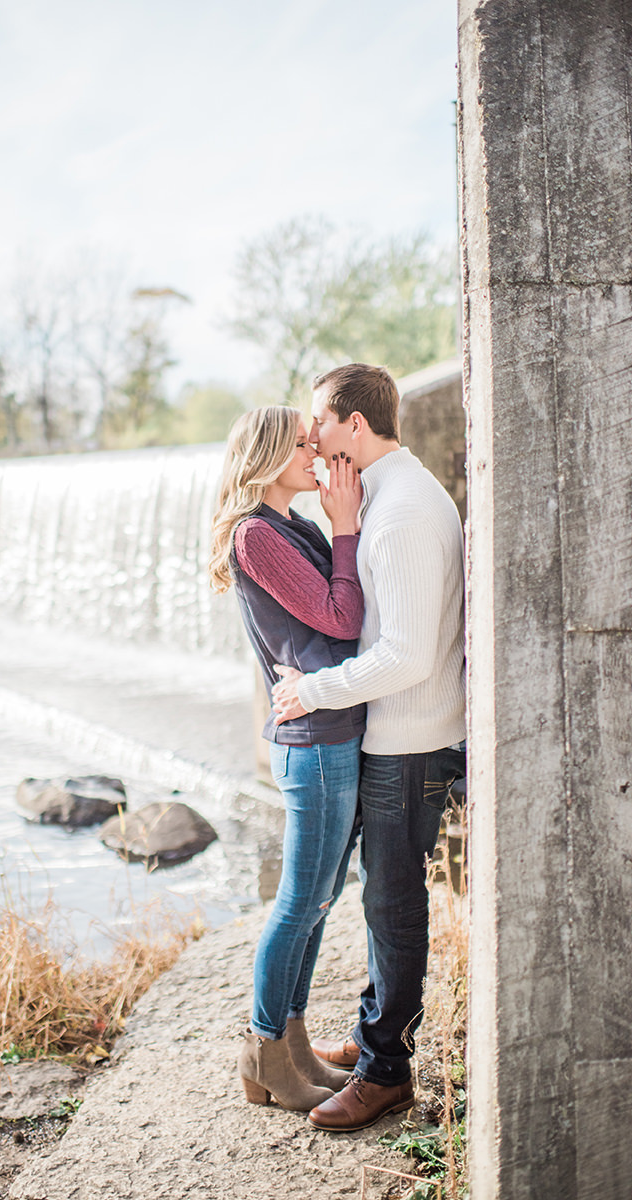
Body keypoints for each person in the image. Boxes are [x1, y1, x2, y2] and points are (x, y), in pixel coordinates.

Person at [271, 363, 466, 1132]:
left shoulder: (407, 511)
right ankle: (370, 1035)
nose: (309, 434)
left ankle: (387, 1070)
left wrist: (310, 690)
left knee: (392, 906)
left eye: (319, 420)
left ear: (356, 426)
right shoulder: (380, 499)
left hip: (412, 745)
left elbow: (410, 654)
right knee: (379, 900)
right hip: (392, 738)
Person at [209, 405, 368, 1113]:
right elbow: (340, 618)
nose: (317, 453)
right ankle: (262, 1047)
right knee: (299, 901)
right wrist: (345, 527)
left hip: (332, 730)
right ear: (270, 455)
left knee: (320, 899)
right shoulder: (256, 535)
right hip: (316, 744)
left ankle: (291, 1048)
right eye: (304, 445)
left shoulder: (289, 526)